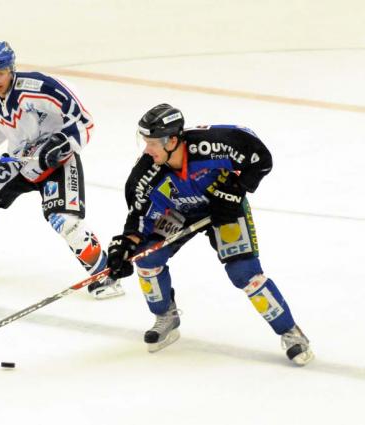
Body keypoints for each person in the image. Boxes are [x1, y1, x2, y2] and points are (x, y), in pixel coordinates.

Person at [106, 103, 313, 365]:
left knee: (244, 273)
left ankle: (291, 333)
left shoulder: (211, 145)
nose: (147, 149)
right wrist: (125, 247)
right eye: (145, 142)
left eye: (153, 143)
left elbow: (260, 158)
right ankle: (166, 317)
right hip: (178, 214)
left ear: (172, 140)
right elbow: (139, 217)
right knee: (146, 259)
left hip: (223, 208)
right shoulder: (144, 174)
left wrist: (237, 187)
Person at [0, 41, 124, 300]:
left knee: (65, 222)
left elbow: (84, 121)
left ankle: (105, 274)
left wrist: (63, 142)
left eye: (1, 72)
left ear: (11, 69)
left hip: (57, 162)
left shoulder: (41, 87)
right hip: (19, 161)